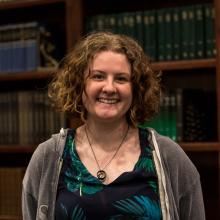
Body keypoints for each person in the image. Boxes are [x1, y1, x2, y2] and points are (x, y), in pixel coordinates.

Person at [22, 32, 205, 220]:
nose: (109, 88)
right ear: (78, 84)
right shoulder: (47, 157)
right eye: (98, 76)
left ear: (136, 89)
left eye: (121, 79)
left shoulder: (169, 156)